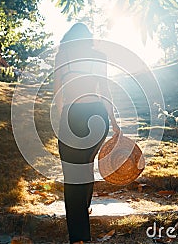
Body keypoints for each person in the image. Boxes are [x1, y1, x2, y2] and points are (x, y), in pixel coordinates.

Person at [53, 23, 120, 244]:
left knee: (72, 175)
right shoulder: (99, 56)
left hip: (73, 115)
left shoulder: (63, 55)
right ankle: (84, 210)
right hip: (98, 115)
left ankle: (78, 236)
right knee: (86, 167)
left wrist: (60, 121)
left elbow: (58, 94)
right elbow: (106, 90)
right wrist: (114, 123)